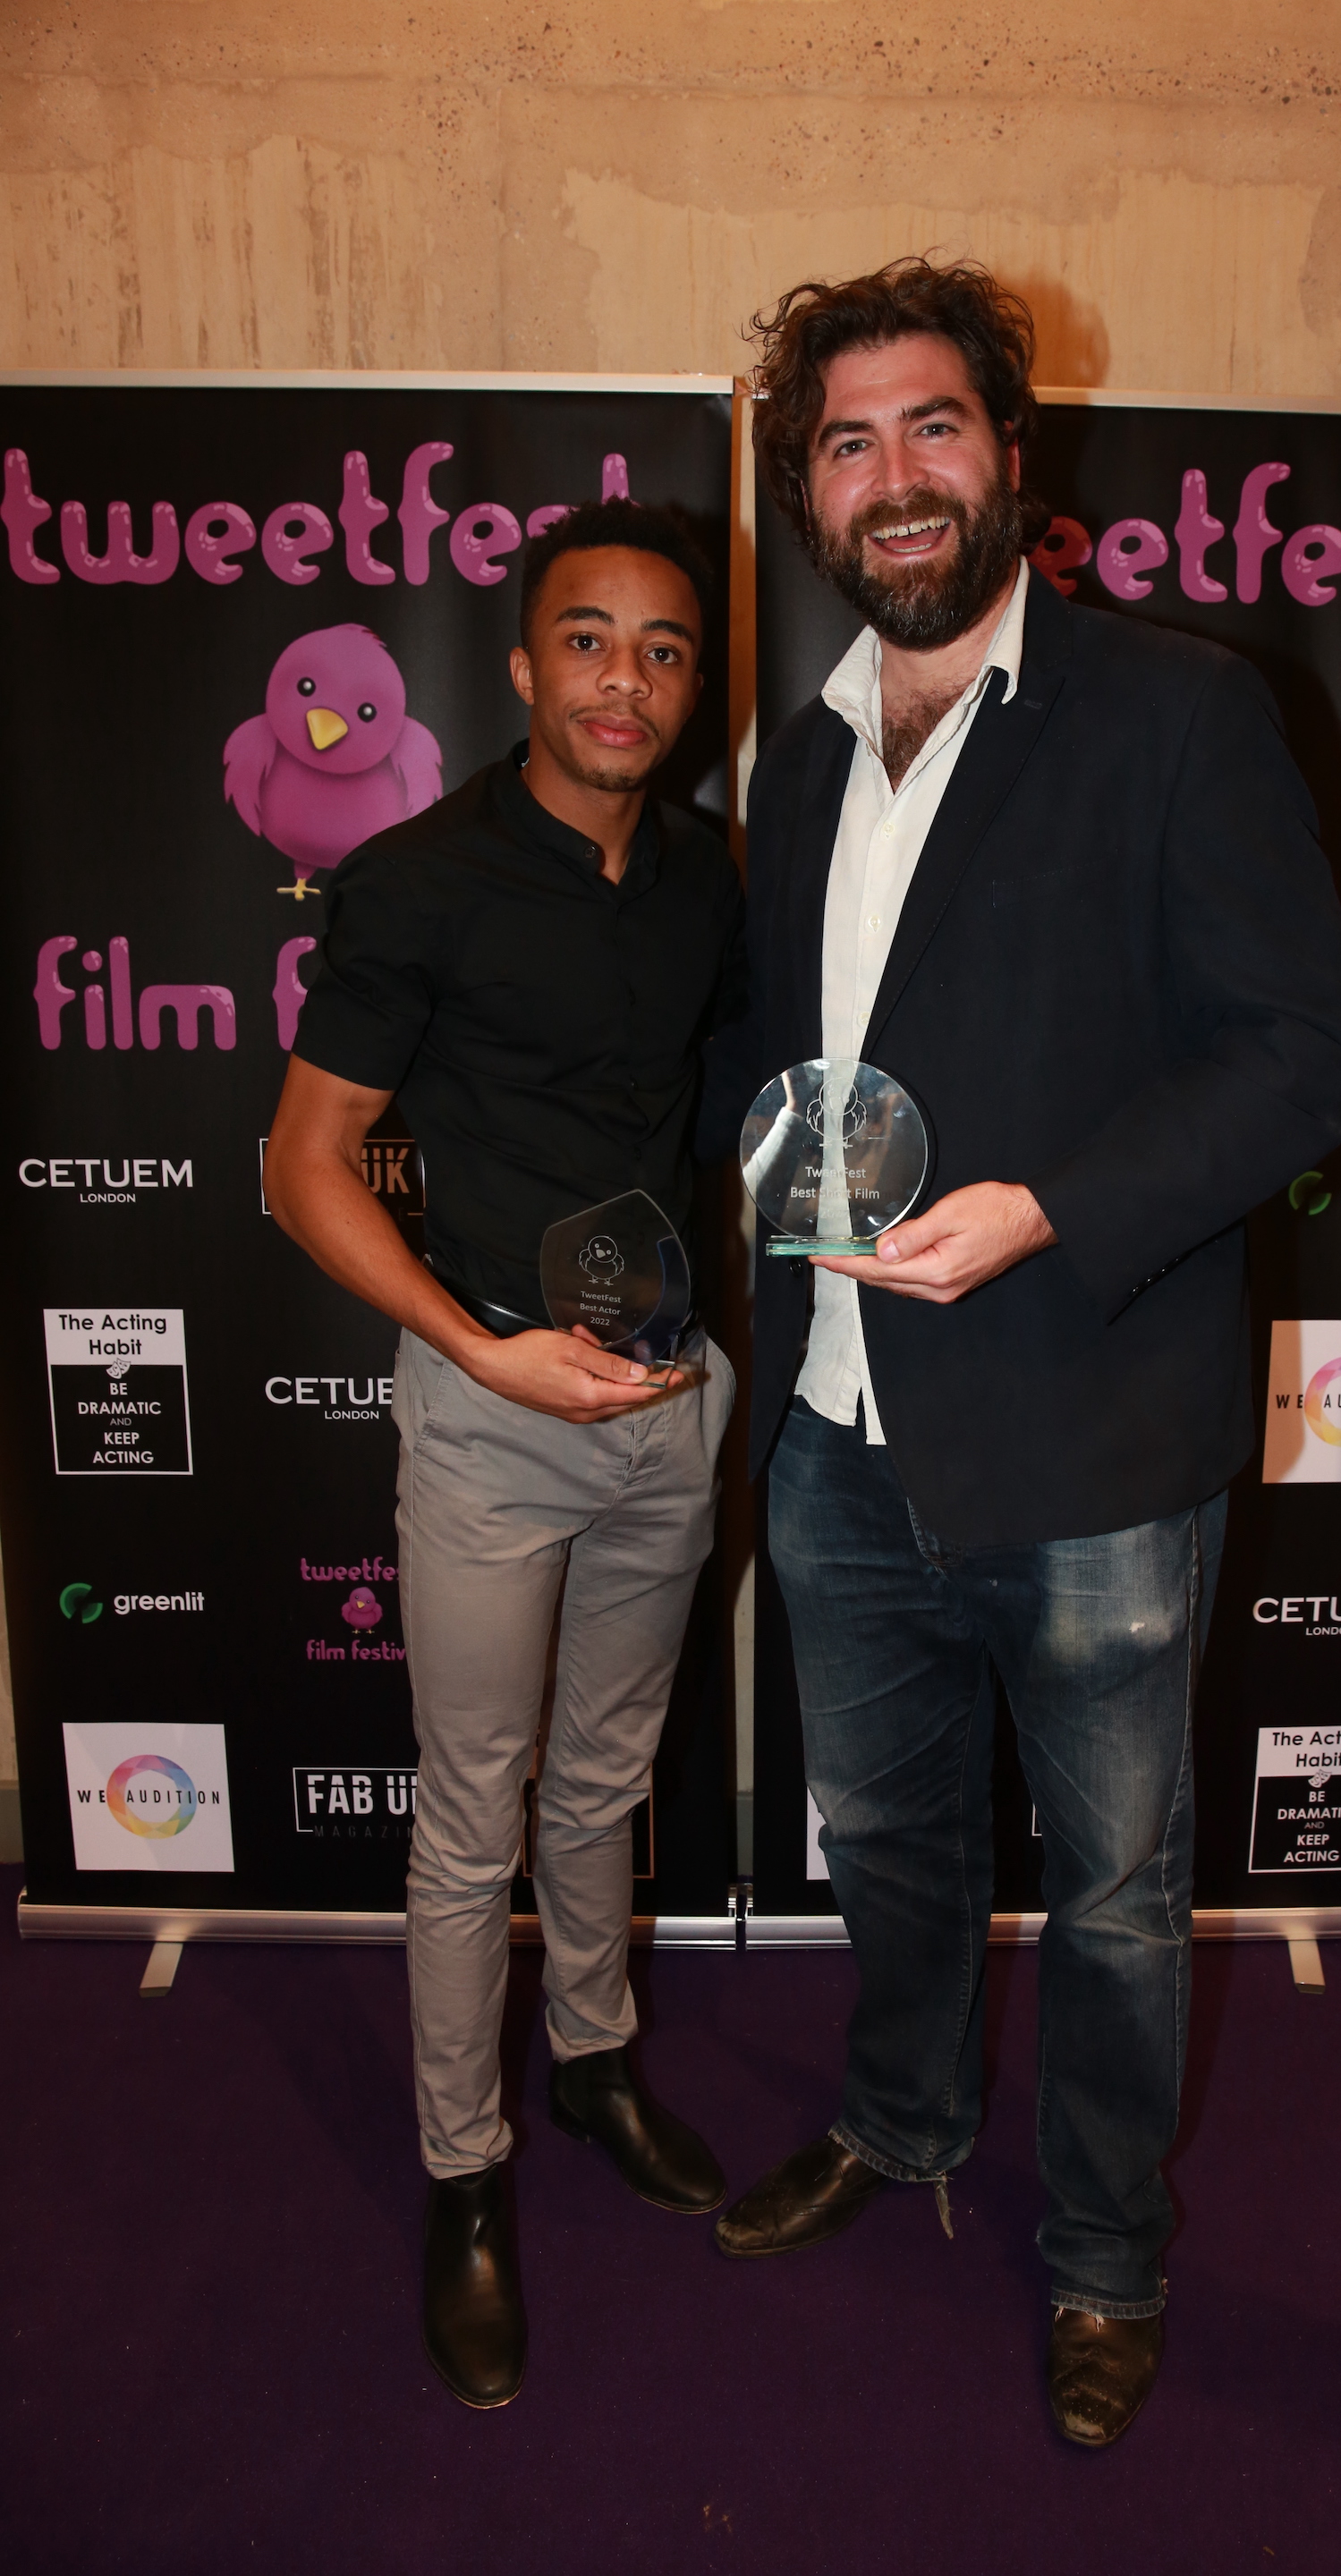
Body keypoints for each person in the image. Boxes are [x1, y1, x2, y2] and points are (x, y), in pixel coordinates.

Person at [702, 261, 1341, 2445]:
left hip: (1088, 1431)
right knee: (894, 1850)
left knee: (1109, 1897)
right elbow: (778, 1055)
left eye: (933, 426)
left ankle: (1103, 2254)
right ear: (807, 491)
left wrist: (1053, 1210)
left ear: (1012, 450)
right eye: (847, 441)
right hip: (834, 1428)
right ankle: (901, 2121)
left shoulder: (1177, 714)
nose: (894, 476)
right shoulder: (799, 754)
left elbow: (1310, 1053)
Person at [265, 499, 743, 2411]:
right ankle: (464, 2176)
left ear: (693, 688)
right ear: (529, 664)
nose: (626, 679)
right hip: (490, 1414)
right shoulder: (420, 880)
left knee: (607, 1779)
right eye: (591, 639)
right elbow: (302, 1168)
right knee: (474, 1815)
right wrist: (482, 1351)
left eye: (664, 649)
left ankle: (594, 2062)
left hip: (672, 1405)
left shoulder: (709, 880)